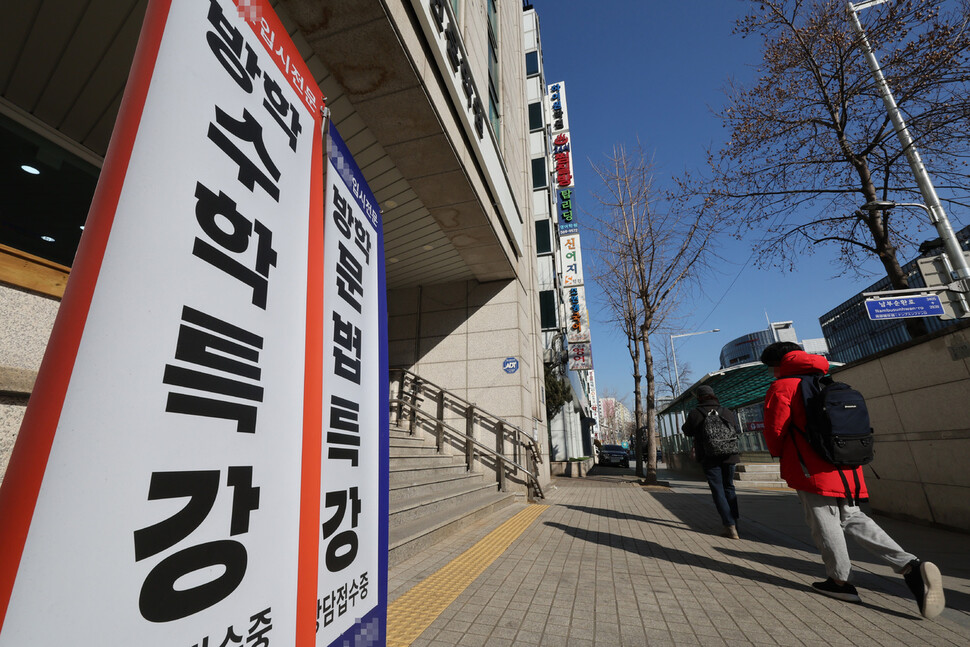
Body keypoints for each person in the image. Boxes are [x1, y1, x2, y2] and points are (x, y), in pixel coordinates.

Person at [759, 341, 945, 618]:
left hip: (812, 466)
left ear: (778, 364)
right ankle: (911, 567)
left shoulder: (783, 386)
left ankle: (840, 582)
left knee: (823, 523)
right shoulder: (825, 378)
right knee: (852, 517)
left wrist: (779, 454)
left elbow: (775, 430)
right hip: (846, 465)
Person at [682, 385, 741, 539]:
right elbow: (735, 429)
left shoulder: (696, 413)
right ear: (713, 395)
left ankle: (729, 525)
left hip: (709, 457)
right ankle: (735, 522)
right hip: (729, 456)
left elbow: (687, 431)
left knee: (718, 490)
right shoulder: (726, 411)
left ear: (699, 398)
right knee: (729, 487)